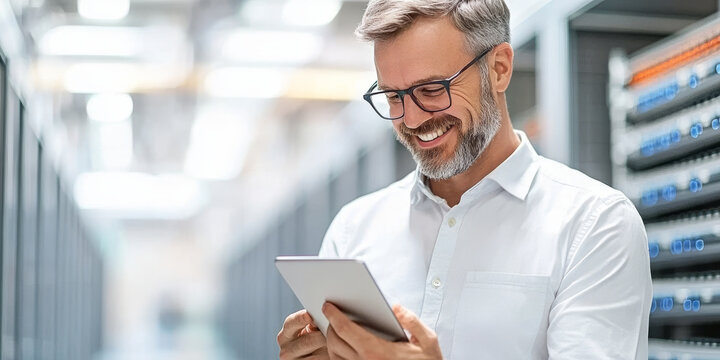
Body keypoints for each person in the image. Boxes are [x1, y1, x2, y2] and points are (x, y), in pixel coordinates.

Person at [277, 0, 652, 359]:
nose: (411, 119)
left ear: (499, 68)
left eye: (431, 90)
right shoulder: (353, 230)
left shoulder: (595, 226)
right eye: (393, 96)